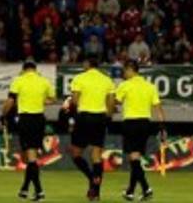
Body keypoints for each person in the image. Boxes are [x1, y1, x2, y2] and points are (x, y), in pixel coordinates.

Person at [2, 60, 55, 201]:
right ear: (35, 69)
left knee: (30, 157)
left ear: (24, 69)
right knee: (31, 156)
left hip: (26, 119)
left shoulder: (18, 80)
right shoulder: (44, 81)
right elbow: (52, 99)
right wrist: (39, 100)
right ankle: (25, 189)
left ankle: (39, 191)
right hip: (39, 119)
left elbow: (10, 101)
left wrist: (3, 114)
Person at [115, 61, 165, 202]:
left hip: (131, 123)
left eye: (125, 71)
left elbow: (117, 101)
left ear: (131, 70)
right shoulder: (150, 86)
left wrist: (111, 101)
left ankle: (146, 188)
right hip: (145, 123)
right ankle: (130, 191)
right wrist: (162, 126)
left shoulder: (125, 85)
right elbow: (158, 107)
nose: (124, 74)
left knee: (134, 158)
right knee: (135, 157)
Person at [67, 56, 116, 201]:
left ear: (87, 64)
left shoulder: (79, 78)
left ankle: (91, 178)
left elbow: (75, 100)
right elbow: (111, 103)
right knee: (96, 156)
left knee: (76, 154)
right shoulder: (107, 80)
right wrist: (107, 116)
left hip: (84, 117)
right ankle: (96, 191)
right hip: (100, 118)